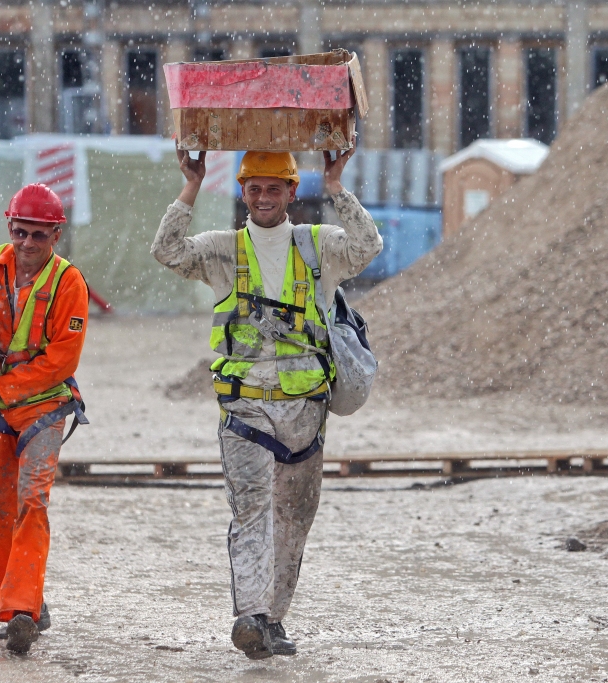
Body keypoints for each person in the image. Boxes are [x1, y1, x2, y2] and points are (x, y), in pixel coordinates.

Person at [151, 146, 382, 659]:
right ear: (242, 192)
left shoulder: (319, 246)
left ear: (292, 194)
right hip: (246, 412)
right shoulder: (222, 251)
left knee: (294, 521)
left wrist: (337, 185)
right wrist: (191, 185)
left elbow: (368, 245)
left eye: (273, 188)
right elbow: (166, 250)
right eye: (253, 188)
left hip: (304, 415)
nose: (262, 198)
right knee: (252, 513)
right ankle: (250, 616)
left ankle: (273, 620)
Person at [0, 183, 89, 654]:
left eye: (39, 235)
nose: (28, 244)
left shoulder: (68, 283)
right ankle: (16, 604)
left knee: (31, 501)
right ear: (8, 226)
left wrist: (2, 384)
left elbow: (62, 360)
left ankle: (22, 610)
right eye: (21, 232)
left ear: (56, 235)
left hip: (44, 404)